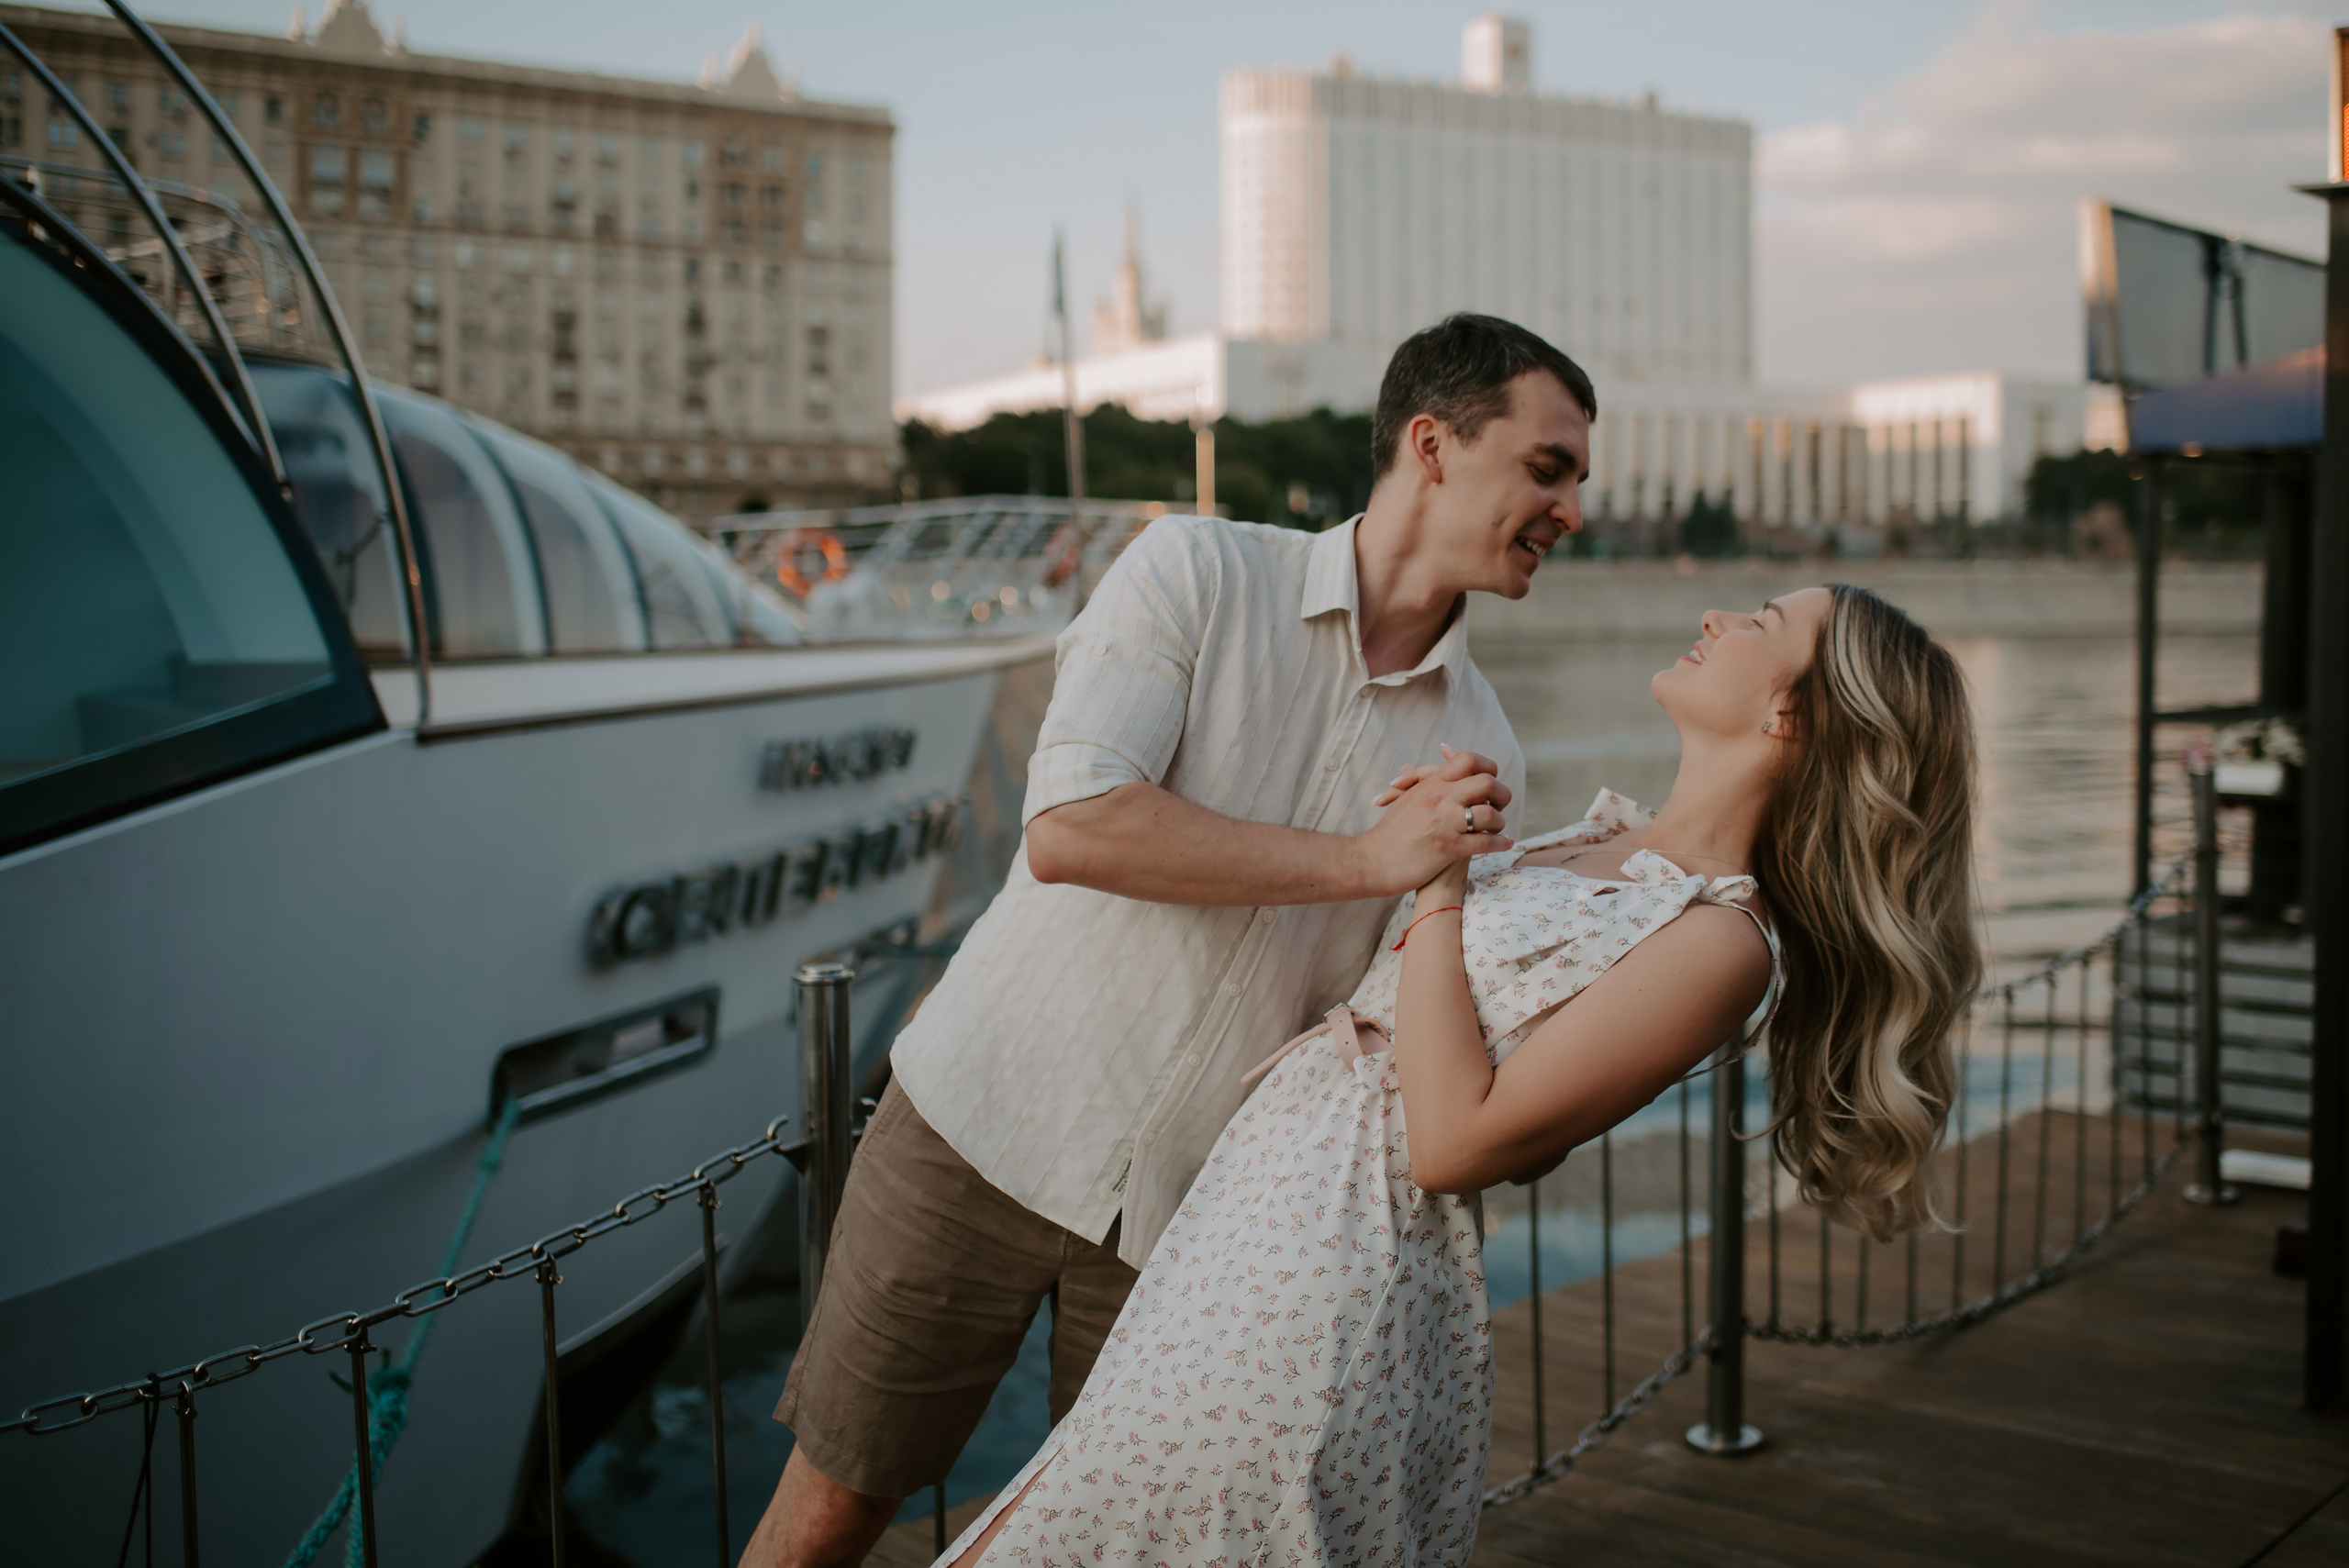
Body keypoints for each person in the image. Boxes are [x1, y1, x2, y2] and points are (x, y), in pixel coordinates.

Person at [741, 314, 1597, 1568]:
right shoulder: (1195, 570)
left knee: (1133, 1550)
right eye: (1548, 467)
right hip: (984, 1126)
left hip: (1201, 1224)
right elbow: (1077, 824)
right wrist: (1372, 862)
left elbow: (1394, 1023)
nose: (1572, 508)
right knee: (831, 1508)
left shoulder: (1487, 748)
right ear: (1431, 444)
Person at [938, 583, 1981, 1567]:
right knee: (1071, 1514)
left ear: (1790, 715)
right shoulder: (1605, 838)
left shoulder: (1721, 937)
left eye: (1757, 619)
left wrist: (1436, 884)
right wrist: (1435, 834)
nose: (1717, 615)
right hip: (1257, 1211)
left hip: (1341, 1265)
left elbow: (1456, 1143)